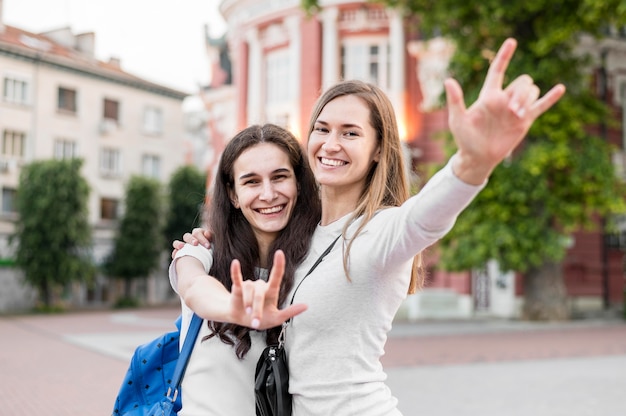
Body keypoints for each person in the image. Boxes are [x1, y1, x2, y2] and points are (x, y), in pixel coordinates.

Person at [174, 38, 566, 415]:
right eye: (322, 129)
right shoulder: (302, 237)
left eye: (350, 133)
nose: (330, 144)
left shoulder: (380, 232)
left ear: (379, 149)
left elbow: (425, 218)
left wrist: (473, 162)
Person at [169, 123, 321, 415]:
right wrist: (232, 307)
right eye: (251, 182)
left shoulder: (313, 267)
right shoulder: (201, 251)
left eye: (280, 177)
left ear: (299, 185)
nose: (268, 194)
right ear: (234, 194)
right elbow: (193, 286)